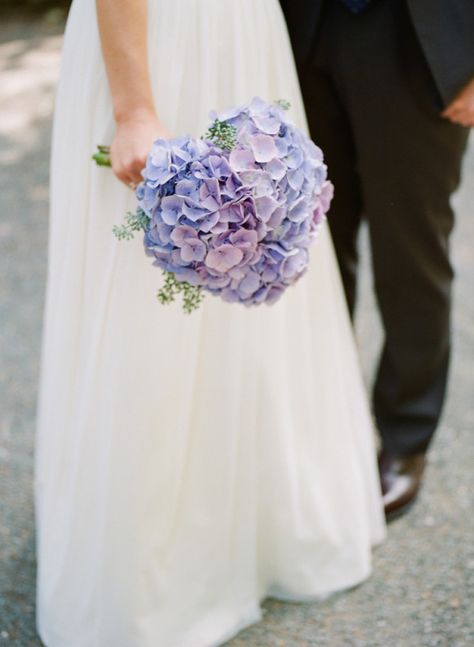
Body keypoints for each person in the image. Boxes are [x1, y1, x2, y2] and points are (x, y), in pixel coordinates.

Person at [35, 1, 385, 645]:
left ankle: (256, 531)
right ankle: (157, 563)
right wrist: (135, 108)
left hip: (240, 34)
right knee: (149, 298)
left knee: (251, 267)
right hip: (159, 48)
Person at [280, 0, 474, 519]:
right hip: (299, 29)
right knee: (308, 246)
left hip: (422, 37)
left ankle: (406, 435)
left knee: (411, 253)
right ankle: (324, 421)